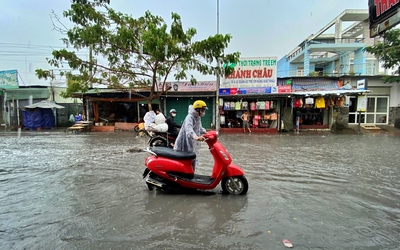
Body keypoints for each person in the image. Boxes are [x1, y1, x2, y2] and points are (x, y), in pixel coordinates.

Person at [173, 100, 207, 171]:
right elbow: (189, 129)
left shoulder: (198, 117)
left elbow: (199, 128)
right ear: (198, 109)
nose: (204, 112)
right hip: (186, 141)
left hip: (193, 141)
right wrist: (196, 137)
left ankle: (191, 174)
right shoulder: (190, 117)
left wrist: (207, 132)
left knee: (193, 158)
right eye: (203, 110)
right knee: (186, 158)